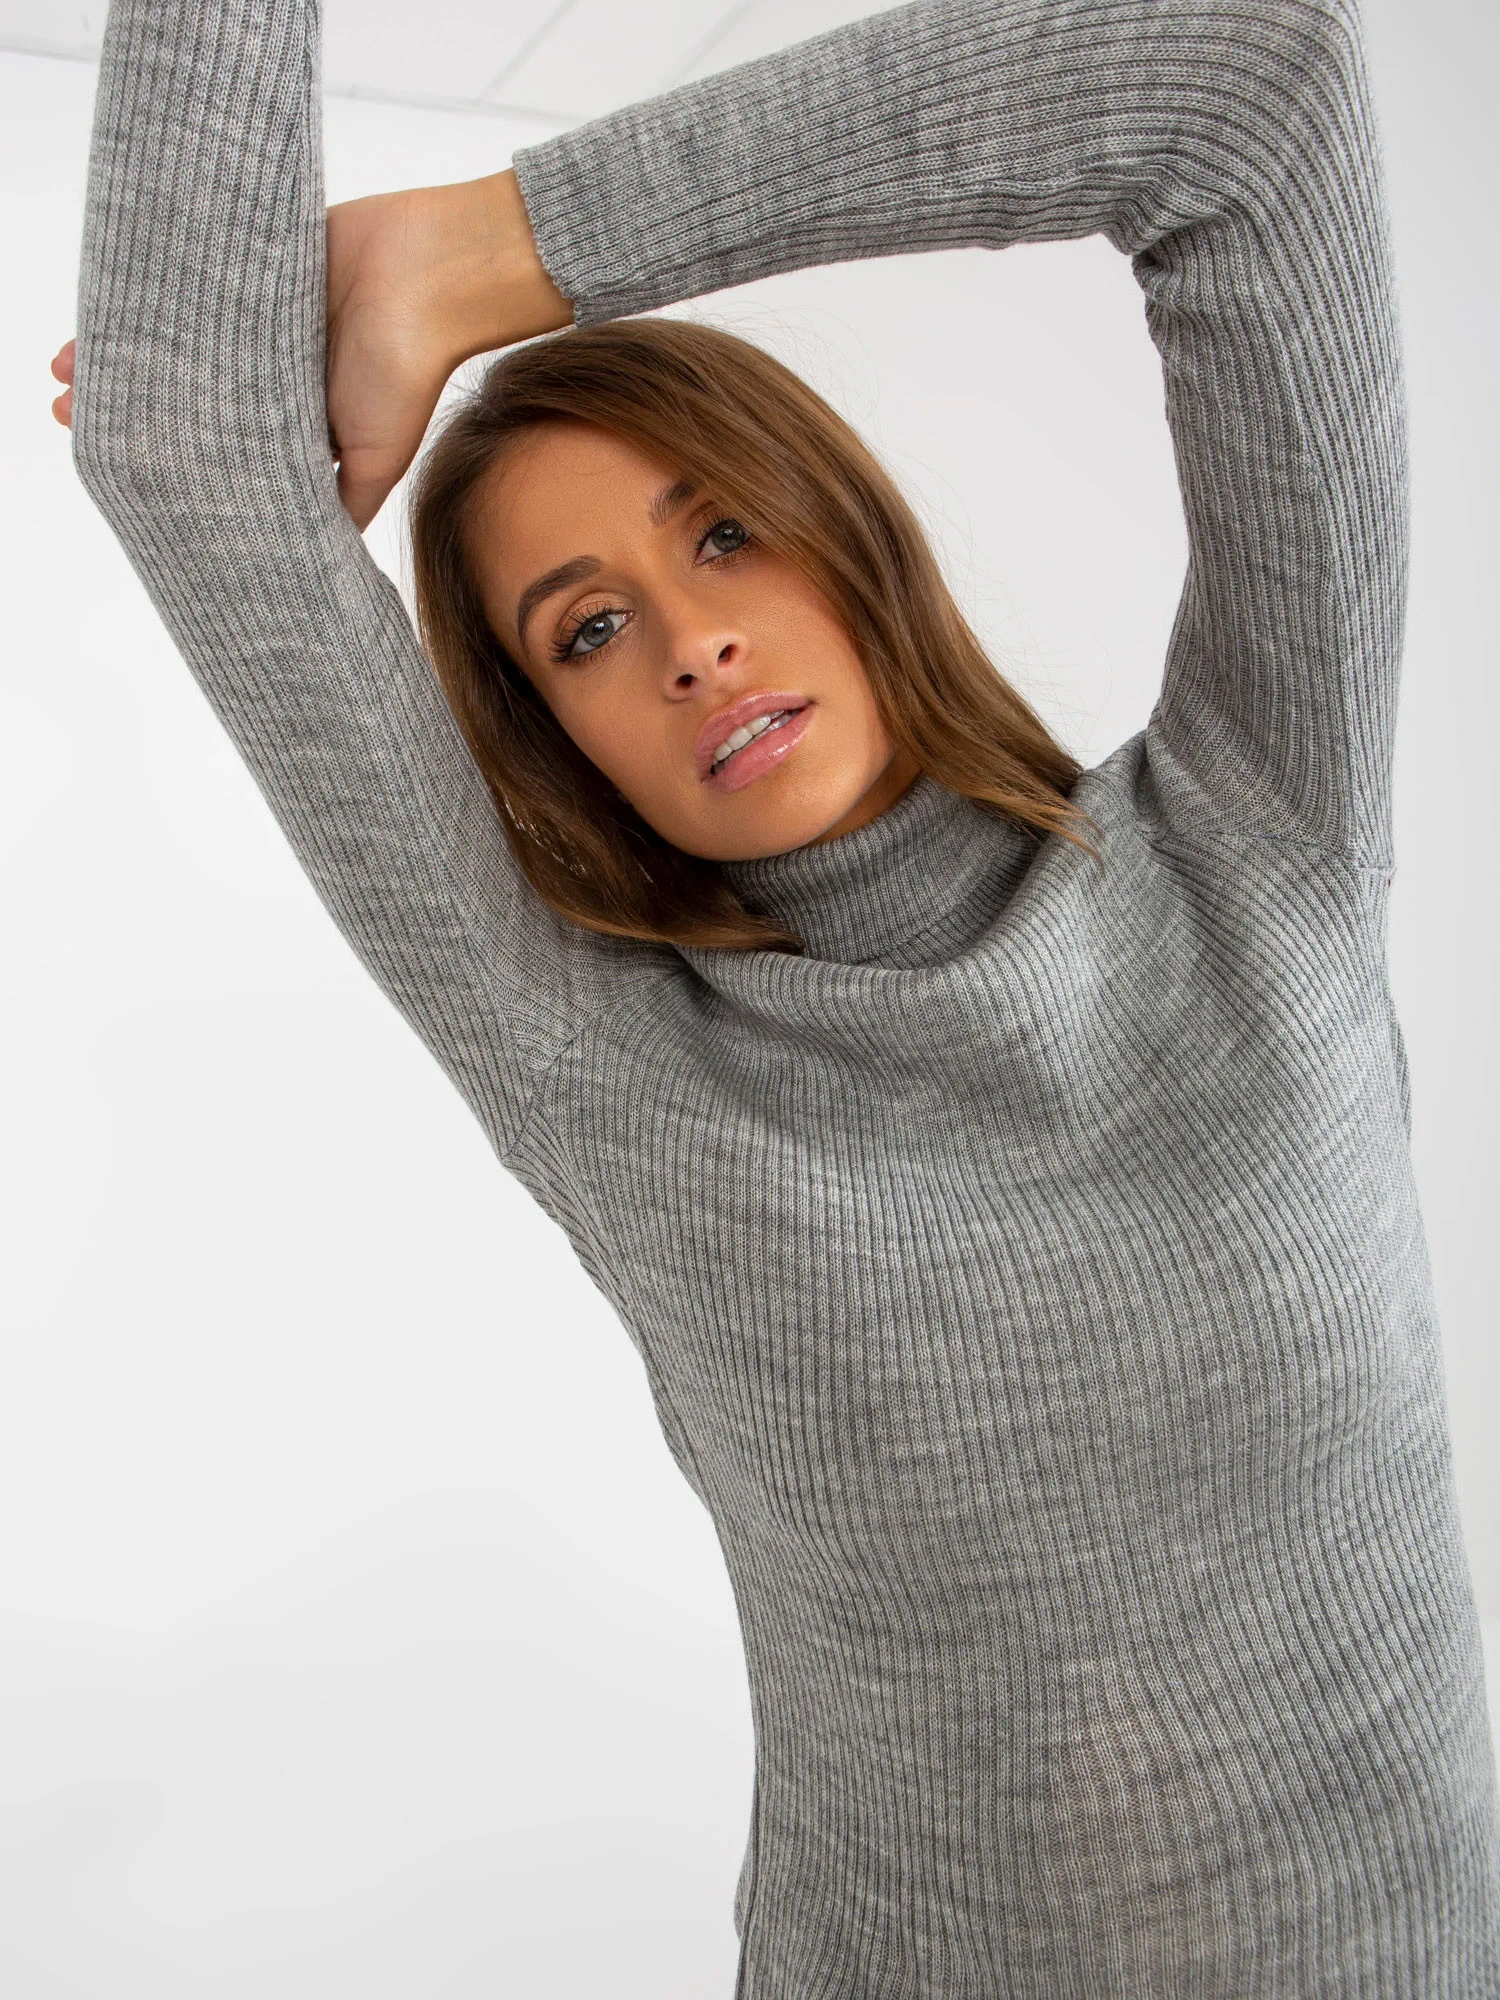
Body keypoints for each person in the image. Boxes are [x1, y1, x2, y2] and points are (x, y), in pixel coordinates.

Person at [53, 0, 1500, 1991]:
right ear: (558, 737)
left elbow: (1259, 96)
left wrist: (493, 249)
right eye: (587, 629)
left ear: (845, 535)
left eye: (721, 532)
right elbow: (175, 440)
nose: (693, 644)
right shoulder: (621, 1067)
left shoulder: (1267, 838)